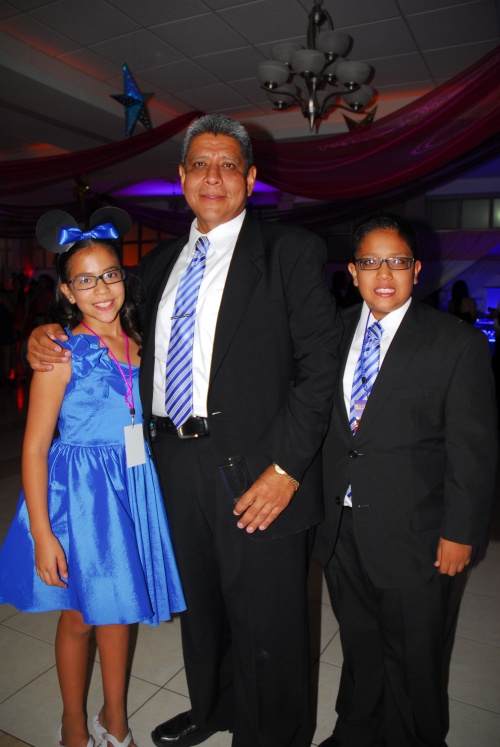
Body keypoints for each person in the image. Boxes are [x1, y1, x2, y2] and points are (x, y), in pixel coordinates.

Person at [26, 114, 340, 747]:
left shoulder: (290, 252)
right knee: (202, 603)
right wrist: (45, 330)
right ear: (181, 177)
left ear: (250, 177)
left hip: (260, 465)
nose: (212, 176)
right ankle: (214, 707)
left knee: (269, 618)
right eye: (200, 163)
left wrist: (286, 469)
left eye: (227, 164)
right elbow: (103, 318)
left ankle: (272, 735)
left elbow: (320, 369)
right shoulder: (158, 263)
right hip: (168, 461)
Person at [0, 207, 186, 747]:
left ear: (124, 278)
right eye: (85, 280)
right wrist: (42, 534)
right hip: (81, 497)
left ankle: (116, 718)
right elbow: (34, 448)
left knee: (119, 609)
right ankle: (74, 722)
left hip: (132, 485)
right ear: (67, 291)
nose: (101, 289)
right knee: (82, 614)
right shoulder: (60, 352)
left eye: (109, 274)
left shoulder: (143, 343)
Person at [315, 213, 497, 747]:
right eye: (370, 262)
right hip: (340, 524)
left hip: (417, 531)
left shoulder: (455, 343)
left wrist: (460, 532)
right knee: (359, 639)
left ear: (416, 269)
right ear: (353, 271)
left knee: (415, 651)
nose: (384, 274)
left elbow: (473, 451)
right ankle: (356, 730)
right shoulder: (329, 334)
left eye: (396, 261)